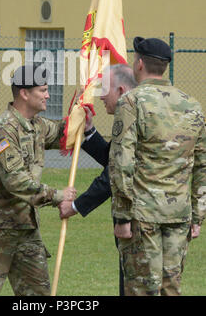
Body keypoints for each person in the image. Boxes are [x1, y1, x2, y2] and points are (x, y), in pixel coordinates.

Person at [0, 64, 77, 296]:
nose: (48, 95)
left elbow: (65, 134)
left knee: (38, 295)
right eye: (42, 90)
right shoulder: (3, 130)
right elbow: (15, 180)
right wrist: (57, 196)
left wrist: (82, 116)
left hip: (25, 229)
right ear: (24, 93)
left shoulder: (38, 126)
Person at [109, 36, 206, 296]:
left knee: (142, 289)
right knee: (170, 289)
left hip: (142, 216)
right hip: (179, 215)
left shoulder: (131, 102)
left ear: (139, 64)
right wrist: (197, 216)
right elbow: (202, 166)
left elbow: (121, 162)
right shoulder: (193, 106)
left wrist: (121, 215)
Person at [58, 64, 137, 296]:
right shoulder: (130, 114)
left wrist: (75, 206)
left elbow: (112, 174)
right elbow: (112, 159)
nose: (101, 95)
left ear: (121, 90)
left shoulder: (134, 118)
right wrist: (90, 131)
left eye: (105, 88)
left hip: (140, 221)